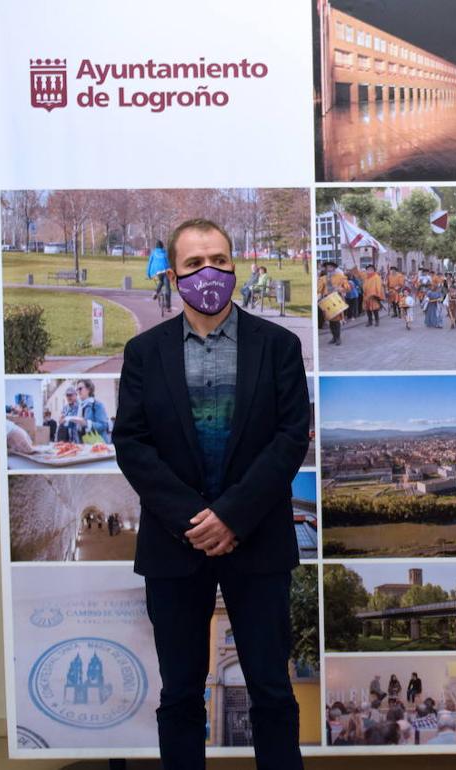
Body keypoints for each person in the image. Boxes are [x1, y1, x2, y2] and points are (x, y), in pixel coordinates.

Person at [112, 218, 310, 770]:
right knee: (178, 693)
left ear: (235, 265)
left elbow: (290, 438)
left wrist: (231, 517)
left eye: (220, 261)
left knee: (272, 690)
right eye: (195, 263)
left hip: (259, 544)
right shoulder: (144, 352)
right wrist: (193, 519)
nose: (210, 273)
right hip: (174, 549)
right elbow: (132, 444)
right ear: (173, 274)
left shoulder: (279, 347)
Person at [75, 379, 112, 444]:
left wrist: (87, 423)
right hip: (86, 444)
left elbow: (103, 425)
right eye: (77, 389)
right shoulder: (80, 406)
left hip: (99, 444)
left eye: (80, 389)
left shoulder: (97, 404)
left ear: (88, 389)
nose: (78, 391)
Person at [147, 239, 171, 309]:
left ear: (156, 247)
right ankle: (168, 306)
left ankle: (156, 292)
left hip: (157, 272)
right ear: (162, 246)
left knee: (161, 281)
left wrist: (148, 274)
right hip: (166, 271)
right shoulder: (165, 253)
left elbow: (149, 264)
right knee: (167, 288)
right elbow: (169, 263)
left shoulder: (153, 253)